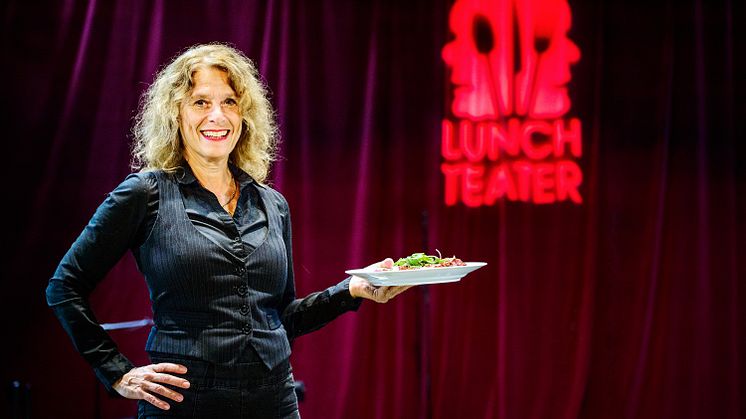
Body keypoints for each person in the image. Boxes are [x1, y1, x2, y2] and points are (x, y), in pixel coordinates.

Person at [45, 42, 410, 419]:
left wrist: (352, 290)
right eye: (201, 102)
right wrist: (118, 373)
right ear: (176, 113)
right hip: (186, 403)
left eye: (230, 102)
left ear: (245, 114)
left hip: (275, 400)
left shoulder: (272, 203)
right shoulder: (145, 192)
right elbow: (64, 286)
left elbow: (281, 318)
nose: (217, 115)